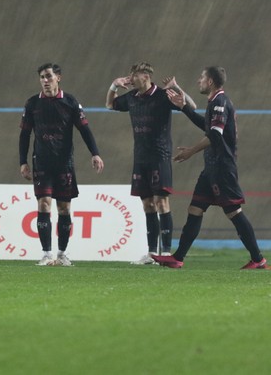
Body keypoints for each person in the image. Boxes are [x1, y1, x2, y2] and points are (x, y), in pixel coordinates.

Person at [154, 67, 266, 269]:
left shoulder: (220, 102)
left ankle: (258, 259)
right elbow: (208, 127)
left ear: (211, 82)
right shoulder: (214, 102)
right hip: (211, 169)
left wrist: (190, 151)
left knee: (234, 212)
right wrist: (184, 107)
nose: (199, 81)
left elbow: (214, 135)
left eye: (202, 78)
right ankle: (178, 258)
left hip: (222, 168)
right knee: (195, 209)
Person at [106, 63, 196, 265]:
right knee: (147, 205)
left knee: (161, 202)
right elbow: (110, 104)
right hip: (140, 158)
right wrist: (114, 85)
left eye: (134, 75)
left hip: (159, 157)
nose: (130, 79)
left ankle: (166, 252)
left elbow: (191, 106)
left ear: (146, 76)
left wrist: (177, 87)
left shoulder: (163, 95)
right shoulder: (131, 97)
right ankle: (151, 253)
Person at [19, 63, 104, 266]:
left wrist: (95, 153)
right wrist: (23, 162)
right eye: (42, 77)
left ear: (58, 77)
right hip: (41, 162)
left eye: (48, 76)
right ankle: (46, 254)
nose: (45, 81)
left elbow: (84, 129)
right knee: (44, 204)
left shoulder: (70, 102)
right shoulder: (32, 103)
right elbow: (24, 134)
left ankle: (62, 253)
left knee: (64, 208)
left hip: (64, 163)